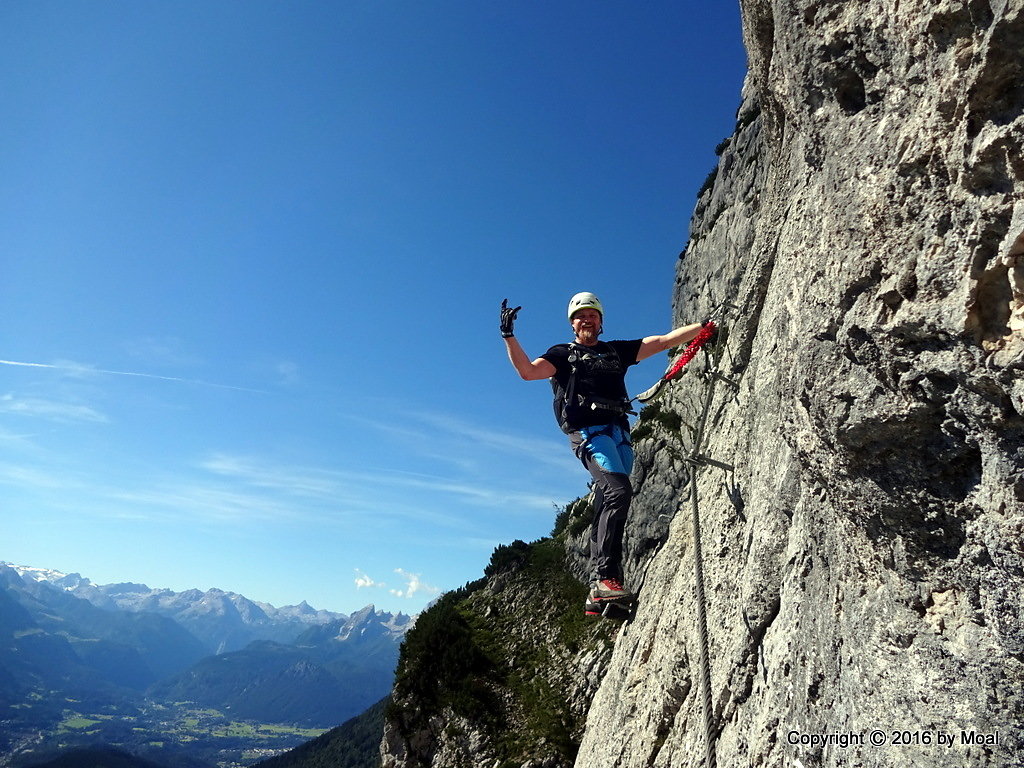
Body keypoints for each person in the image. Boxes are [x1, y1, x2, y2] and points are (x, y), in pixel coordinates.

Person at [501, 292, 708, 611]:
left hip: (619, 433)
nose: (587, 319)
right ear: (572, 324)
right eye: (580, 316)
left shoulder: (617, 351)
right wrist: (509, 335)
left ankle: (599, 596)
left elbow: (665, 341)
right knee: (618, 492)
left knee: (607, 498)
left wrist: (704, 326)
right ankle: (603, 578)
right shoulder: (563, 354)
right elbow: (528, 372)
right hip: (588, 432)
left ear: (601, 321)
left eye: (592, 315)